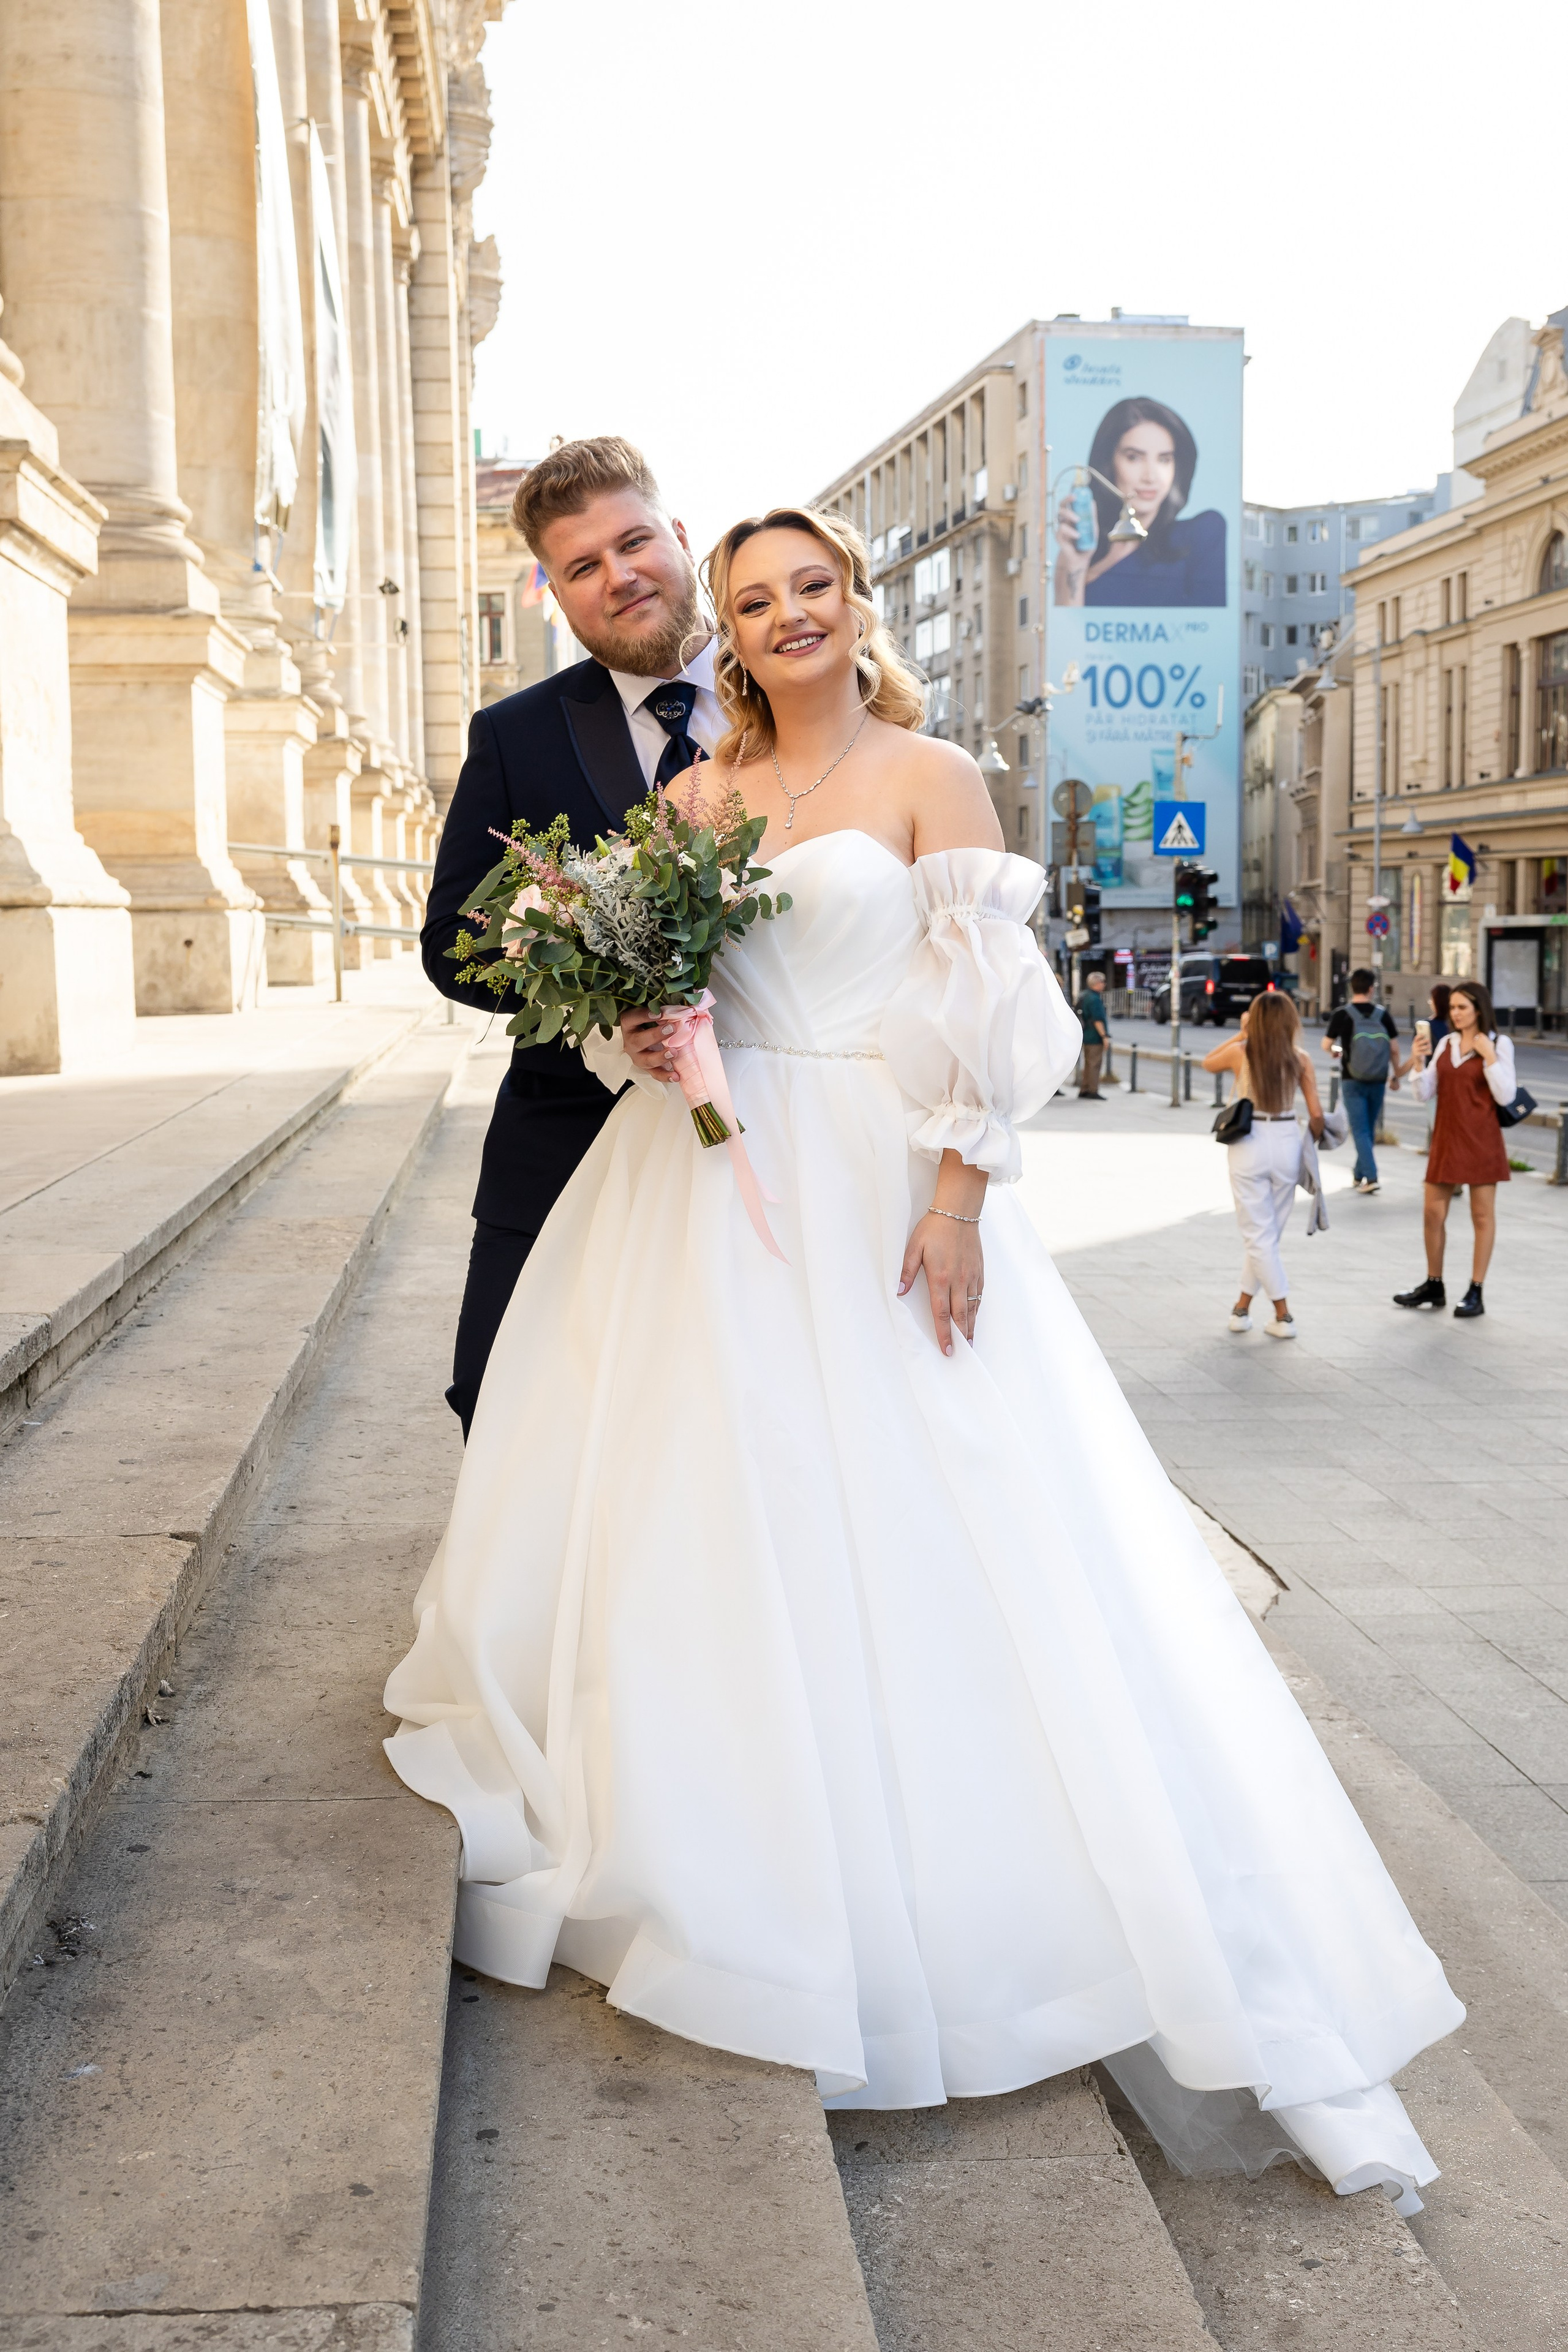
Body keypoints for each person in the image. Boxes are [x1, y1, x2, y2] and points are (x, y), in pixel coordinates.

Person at [385, 503, 1461, 2215]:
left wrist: (958, 1202)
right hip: (706, 1191)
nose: (788, 615)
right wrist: (648, 1031)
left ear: (856, 604)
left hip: (889, 1179)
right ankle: (734, 1819)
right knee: (718, 1500)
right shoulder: (691, 803)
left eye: (813, 587)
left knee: (931, 1497)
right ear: (724, 634)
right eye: (756, 600)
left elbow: (993, 1015)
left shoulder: (933, 775)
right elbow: (640, 1000)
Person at [420, 438, 725, 1437]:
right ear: (553, 594)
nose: (619, 576)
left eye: (633, 542)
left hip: (769, 1138)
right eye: (582, 567)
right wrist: (597, 992)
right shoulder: (512, 736)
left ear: (679, 539)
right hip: (562, 1137)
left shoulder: (801, 704)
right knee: (506, 1403)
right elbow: (452, 938)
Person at [1203, 993, 1326, 1338]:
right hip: (1286, 1138)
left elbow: (1207, 1062)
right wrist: (1313, 1141)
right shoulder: (1300, 1059)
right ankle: (1241, 1308)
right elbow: (1317, 1114)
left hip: (1249, 1141)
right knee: (1266, 1236)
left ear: (1253, 1020)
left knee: (1260, 1236)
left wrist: (1242, 1034)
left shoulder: (1240, 1052)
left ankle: (1283, 1315)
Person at [1395, 978, 1516, 1319]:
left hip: (1482, 1140)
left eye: (1463, 1007)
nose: (1456, 1013)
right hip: (1446, 1138)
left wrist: (1489, 1056)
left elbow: (1506, 1095)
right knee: (1433, 1214)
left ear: (1479, 1009)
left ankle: (1476, 1291)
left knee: (1481, 1217)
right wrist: (1418, 1061)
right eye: (1453, 1008)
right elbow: (1423, 1094)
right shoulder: (1446, 1043)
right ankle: (1434, 1285)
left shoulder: (1499, 1044)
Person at [1054, 396, 1226, 609]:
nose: (1151, 477)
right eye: (1134, 457)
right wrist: (1076, 563)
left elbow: (1213, 631)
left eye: (1164, 459)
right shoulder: (1077, 552)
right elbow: (1067, 636)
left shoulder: (1202, 533)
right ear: (1109, 462)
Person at [1322, 970, 1403, 1194]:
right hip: (1378, 1079)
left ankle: (1371, 1176)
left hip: (1352, 1079)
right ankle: (1359, 1174)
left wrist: (1338, 1050)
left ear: (1352, 988)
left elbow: (1325, 1045)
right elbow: (1395, 1049)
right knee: (1367, 1129)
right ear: (1371, 989)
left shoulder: (1342, 1014)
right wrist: (1396, 1076)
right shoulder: (1383, 1015)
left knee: (1360, 1130)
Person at [1077, 967, 1110, 1098]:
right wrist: (1104, 1036)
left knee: (1088, 1063)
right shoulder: (1095, 999)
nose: (1104, 985)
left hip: (1086, 1034)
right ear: (1097, 983)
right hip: (1094, 1036)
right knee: (1095, 1064)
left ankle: (1084, 1089)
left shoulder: (1084, 995)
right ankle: (1092, 1090)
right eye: (1103, 982)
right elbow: (1098, 1020)